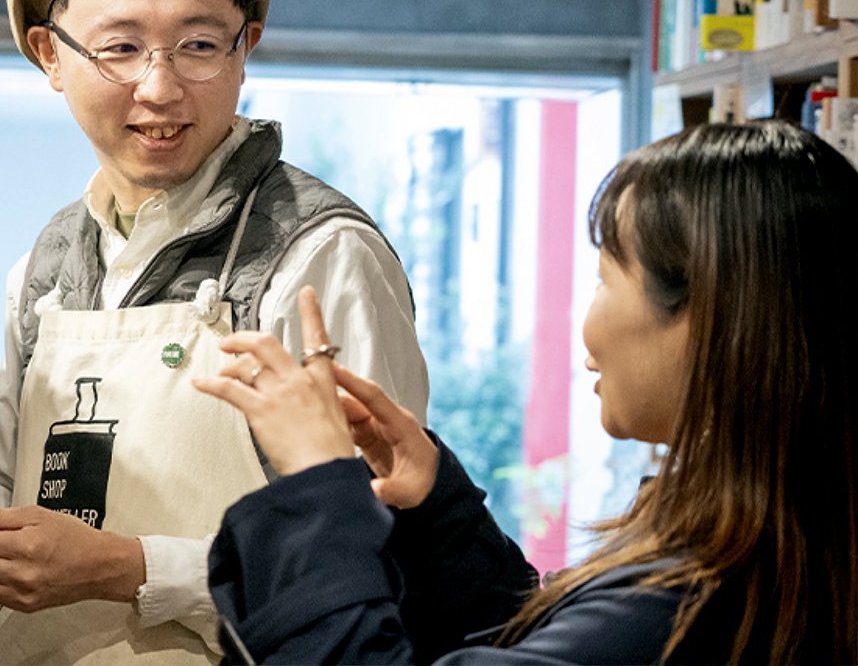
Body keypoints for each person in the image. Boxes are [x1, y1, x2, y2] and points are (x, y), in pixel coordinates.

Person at [0, 0, 437, 665]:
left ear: (245, 47)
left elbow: (368, 557)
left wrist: (128, 568)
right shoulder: (47, 265)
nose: (160, 87)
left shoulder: (319, 253)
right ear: (51, 54)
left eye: (199, 44)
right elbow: (23, 498)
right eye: (119, 47)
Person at [196, 121, 858, 665]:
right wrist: (439, 515)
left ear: (712, 316)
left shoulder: (689, 602)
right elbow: (540, 648)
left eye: (605, 278)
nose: (588, 327)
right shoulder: (792, 544)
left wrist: (316, 486)